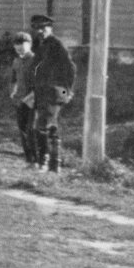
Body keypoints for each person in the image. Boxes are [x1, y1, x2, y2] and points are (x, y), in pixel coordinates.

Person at [30, 14, 77, 173]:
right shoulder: (41, 45)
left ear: (50, 28)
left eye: (43, 28)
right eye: (37, 29)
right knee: (52, 127)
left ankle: (44, 161)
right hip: (42, 91)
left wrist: (67, 91)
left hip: (55, 91)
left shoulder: (57, 44)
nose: (40, 31)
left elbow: (71, 69)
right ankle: (55, 165)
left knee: (41, 125)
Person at [9, 31, 39, 167]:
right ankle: (29, 160)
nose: (20, 47)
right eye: (17, 44)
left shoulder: (36, 60)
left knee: (31, 130)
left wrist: (31, 97)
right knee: (22, 130)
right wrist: (13, 92)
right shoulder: (16, 61)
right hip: (20, 101)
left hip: (34, 101)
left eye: (23, 44)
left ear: (30, 45)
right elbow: (13, 79)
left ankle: (38, 160)